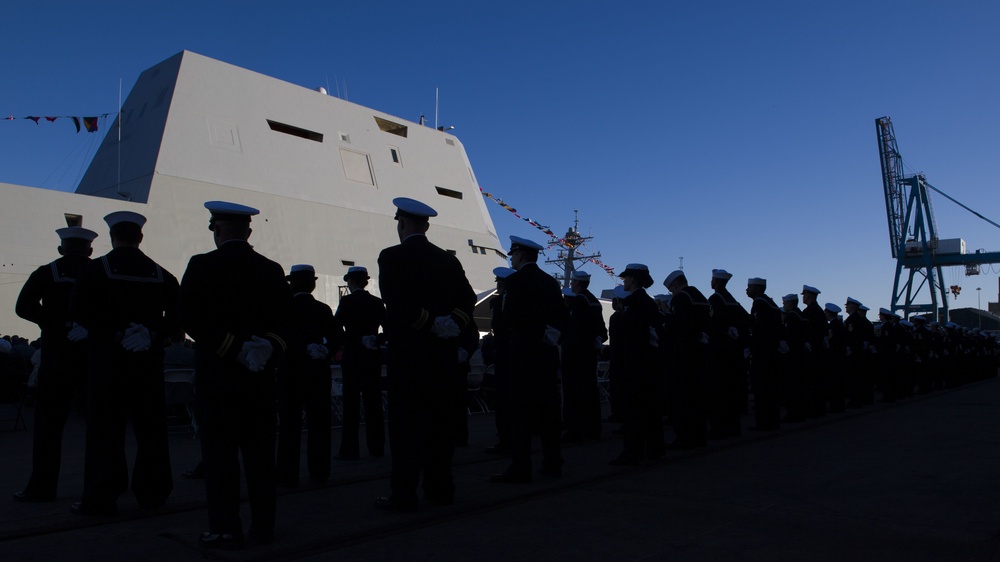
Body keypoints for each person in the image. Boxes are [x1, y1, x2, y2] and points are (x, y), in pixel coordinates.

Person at [179, 201, 292, 548]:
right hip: (259, 379)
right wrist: (265, 347)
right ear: (249, 231)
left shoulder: (201, 265)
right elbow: (288, 322)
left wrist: (233, 348)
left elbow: (189, 318)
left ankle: (226, 529)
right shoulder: (271, 270)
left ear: (216, 228)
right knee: (260, 459)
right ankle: (264, 527)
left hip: (218, 379)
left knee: (220, 457)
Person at [70, 211, 180, 516]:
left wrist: (116, 333)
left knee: (105, 432)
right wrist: (150, 332)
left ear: (111, 237)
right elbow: (179, 317)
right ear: (140, 238)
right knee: (152, 431)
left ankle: (101, 497)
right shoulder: (161, 274)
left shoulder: (95, 270)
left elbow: (78, 308)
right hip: (147, 363)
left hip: (108, 364)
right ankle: (154, 493)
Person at [375, 197, 475, 512]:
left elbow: (394, 300)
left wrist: (428, 323)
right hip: (443, 357)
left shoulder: (392, 256)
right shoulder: (448, 261)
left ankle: (404, 494)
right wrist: (450, 322)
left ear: (401, 224)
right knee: (440, 426)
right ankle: (441, 489)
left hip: (408, 357)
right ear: (427, 225)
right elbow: (468, 298)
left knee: (406, 428)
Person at [13, 226, 97, 503]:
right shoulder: (100, 271)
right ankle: (97, 489)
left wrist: (56, 323)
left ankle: (41, 487)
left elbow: (23, 306)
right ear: (90, 250)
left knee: (48, 427)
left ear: (61, 249)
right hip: (93, 357)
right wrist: (89, 326)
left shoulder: (47, 272)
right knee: (99, 427)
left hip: (56, 356)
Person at [490, 236, 568, 483]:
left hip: (522, 356)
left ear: (520, 255)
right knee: (549, 414)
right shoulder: (549, 282)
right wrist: (548, 335)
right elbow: (562, 318)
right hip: (545, 356)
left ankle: (520, 467)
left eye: (512, 255)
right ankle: (553, 462)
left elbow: (511, 317)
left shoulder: (515, 281)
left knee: (521, 414)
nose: (511, 259)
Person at [276, 264, 338, 487]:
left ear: (291, 284)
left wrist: (302, 350)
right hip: (318, 372)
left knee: (289, 425)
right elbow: (336, 337)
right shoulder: (323, 310)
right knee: (319, 424)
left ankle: (287, 472)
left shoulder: (284, 309)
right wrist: (324, 349)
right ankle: (320, 470)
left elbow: (281, 340)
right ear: (313, 284)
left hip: (290, 372)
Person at [609, 264, 664, 465]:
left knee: (633, 411)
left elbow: (631, 338)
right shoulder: (649, 303)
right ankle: (655, 448)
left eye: (626, 278)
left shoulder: (632, 302)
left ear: (632, 279)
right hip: (649, 363)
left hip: (634, 364)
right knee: (650, 408)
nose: (623, 281)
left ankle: (632, 451)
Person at [334, 266, 387, 460]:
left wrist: (355, 339)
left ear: (350, 281)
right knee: (374, 402)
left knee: (351, 404)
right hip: (372, 356)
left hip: (353, 357)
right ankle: (377, 447)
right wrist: (375, 339)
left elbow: (336, 328)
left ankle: (349, 449)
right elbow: (389, 329)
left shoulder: (347, 301)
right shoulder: (377, 302)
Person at [662, 270, 710, 449]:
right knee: (698, 398)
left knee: (681, 399)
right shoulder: (701, 297)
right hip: (700, 354)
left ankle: (685, 437)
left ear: (674, 286)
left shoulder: (680, 298)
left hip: (682, 357)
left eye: (671, 289)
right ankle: (699, 436)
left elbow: (677, 329)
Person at [560, 270, 608, 442]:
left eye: (573, 282)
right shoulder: (594, 301)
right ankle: (592, 429)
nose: (571, 284)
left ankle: (575, 430)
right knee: (590, 392)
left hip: (575, 355)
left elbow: (574, 329)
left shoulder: (579, 302)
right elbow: (602, 331)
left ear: (577, 283)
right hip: (588, 355)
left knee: (574, 393)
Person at [706, 269, 749, 439]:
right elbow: (747, 319)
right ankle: (733, 427)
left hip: (718, 352)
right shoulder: (733, 301)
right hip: (733, 352)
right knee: (731, 391)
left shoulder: (716, 299)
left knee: (717, 392)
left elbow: (711, 323)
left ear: (716, 282)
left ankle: (718, 428)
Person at [745, 277, 783, 431]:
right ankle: (772, 421)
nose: (746, 290)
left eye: (749, 287)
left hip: (763, 352)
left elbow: (758, 328)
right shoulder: (771, 304)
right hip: (771, 352)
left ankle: (764, 422)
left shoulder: (760, 303)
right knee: (770, 389)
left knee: (762, 388)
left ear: (758, 289)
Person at [484, 267, 515, 454]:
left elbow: (498, 326)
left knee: (503, 397)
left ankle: (505, 437)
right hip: (516, 352)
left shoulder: (497, 301)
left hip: (503, 353)